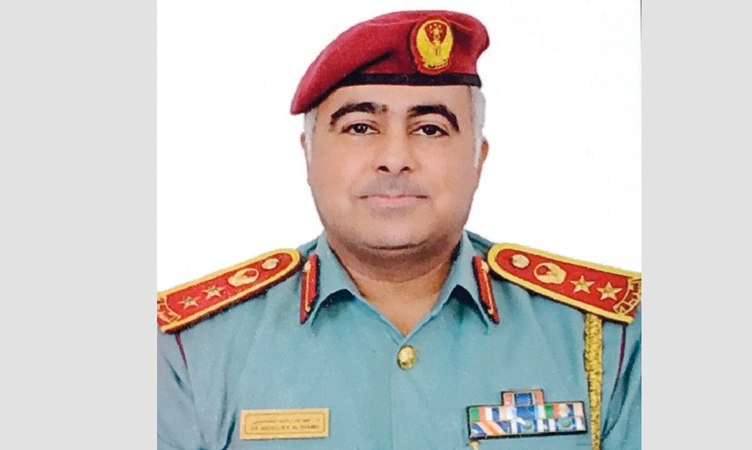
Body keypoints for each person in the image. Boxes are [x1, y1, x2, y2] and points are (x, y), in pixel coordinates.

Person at [157, 10, 641, 450]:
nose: (394, 158)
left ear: (478, 159)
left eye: (430, 128)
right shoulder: (190, 350)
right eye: (360, 127)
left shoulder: (607, 338)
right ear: (308, 153)